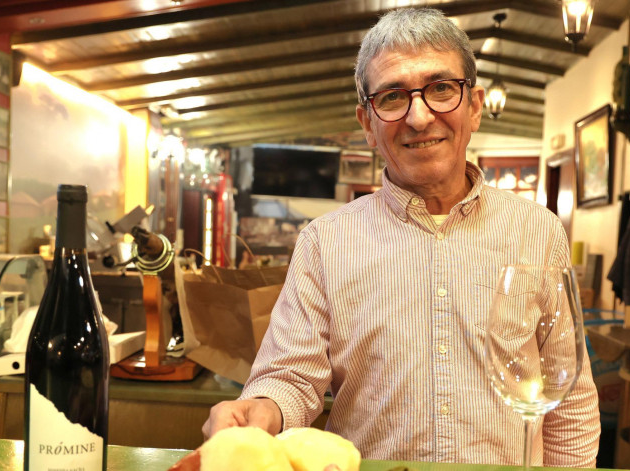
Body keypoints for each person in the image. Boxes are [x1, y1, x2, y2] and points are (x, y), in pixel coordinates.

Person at [202, 7, 600, 466]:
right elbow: (291, 378)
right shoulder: (325, 243)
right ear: (368, 123)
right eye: (392, 97)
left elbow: (568, 400)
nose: (418, 116)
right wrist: (263, 410)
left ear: (474, 106)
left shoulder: (539, 231)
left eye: (441, 89)